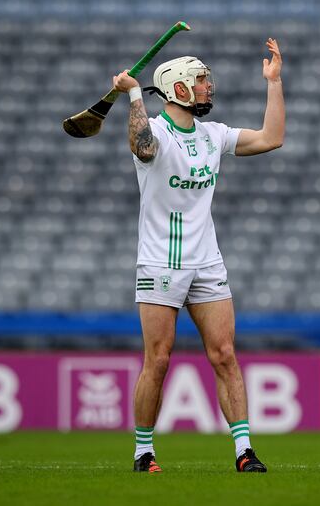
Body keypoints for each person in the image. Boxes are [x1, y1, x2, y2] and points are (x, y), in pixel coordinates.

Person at [112, 38, 284, 473]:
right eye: (202, 80)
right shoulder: (155, 133)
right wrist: (134, 93)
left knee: (225, 353)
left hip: (208, 262)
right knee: (160, 359)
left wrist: (275, 83)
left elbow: (271, 138)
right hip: (160, 262)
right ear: (180, 89)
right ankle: (143, 452)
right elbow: (143, 148)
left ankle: (244, 451)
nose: (210, 86)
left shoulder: (213, 135)